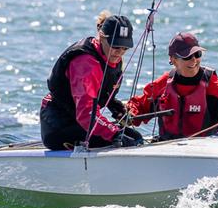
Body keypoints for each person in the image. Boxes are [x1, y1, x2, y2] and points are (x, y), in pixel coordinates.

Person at [126, 31, 218, 140]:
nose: (194, 60)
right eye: (187, 56)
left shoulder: (217, 89)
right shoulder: (164, 84)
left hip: (203, 154)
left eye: (197, 54)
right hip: (166, 149)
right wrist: (128, 113)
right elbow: (139, 106)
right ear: (173, 59)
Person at [40, 11, 144, 150]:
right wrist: (114, 134)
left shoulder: (111, 58)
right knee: (131, 138)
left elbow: (101, 92)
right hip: (58, 125)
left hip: (78, 122)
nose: (119, 52)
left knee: (132, 136)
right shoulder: (86, 64)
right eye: (115, 46)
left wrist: (116, 108)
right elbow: (86, 114)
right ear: (102, 37)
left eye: (124, 47)